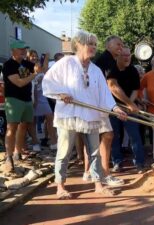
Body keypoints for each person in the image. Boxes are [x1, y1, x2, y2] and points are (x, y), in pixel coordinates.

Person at [42, 30, 127, 199]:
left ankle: (98, 184)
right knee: (64, 151)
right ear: (79, 45)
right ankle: (60, 186)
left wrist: (116, 109)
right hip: (69, 114)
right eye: (90, 44)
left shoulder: (95, 70)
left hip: (91, 115)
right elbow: (49, 81)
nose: (94, 47)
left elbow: (104, 94)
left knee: (94, 152)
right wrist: (61, 93)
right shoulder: (66, 63)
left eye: (95, 44)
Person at [94, 35, 136, 185]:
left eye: (122, 44)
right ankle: (104, 175)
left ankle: (93, 172)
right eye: (118, 44)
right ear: (108, 45)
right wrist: (130, 103)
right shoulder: (107, 61)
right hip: (99, 103)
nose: (120, 47)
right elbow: (112, 85)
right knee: (107, 136)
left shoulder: (108, 59)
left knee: (102, 137)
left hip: (102, 102)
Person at [107, 47, 145, 172]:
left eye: (129, 55)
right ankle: (117, 161)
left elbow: (135, 89)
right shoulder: (112, 69)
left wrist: (130, 104)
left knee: (135, 135)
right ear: (118, 56)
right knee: (114, 136)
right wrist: (128, 103)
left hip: (129, 107)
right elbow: (113, 87)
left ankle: (139, 163)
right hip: (113, 108)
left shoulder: (133, 70)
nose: (127, 58)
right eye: (124, 55)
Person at [2, 40, 37, 172]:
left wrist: (42, 62)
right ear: (13, 50)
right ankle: (9, 157)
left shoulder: (26, 63)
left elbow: (40, 68)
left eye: (24, 49)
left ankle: (18, 152)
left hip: (27, 99)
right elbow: (20, 83)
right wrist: (34, 74)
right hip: (14, 99)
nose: (23, 51)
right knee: (12, 127)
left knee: (24, 125)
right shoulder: (8, 65)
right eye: (21, 49)